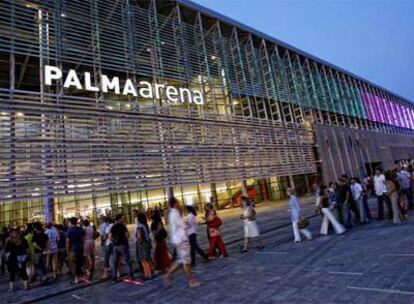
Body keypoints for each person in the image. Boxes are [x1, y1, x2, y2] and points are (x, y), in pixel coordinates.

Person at [163, 197, 201, 288]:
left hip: (179, 240)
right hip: (181, 240)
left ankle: (167, 275)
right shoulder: (175, 214)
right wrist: (185, 220)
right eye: (178, 203)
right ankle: (191, 281)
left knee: (181, 260)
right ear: (175, 204)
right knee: (186, 262)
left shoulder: (173, 213)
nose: (180, 204)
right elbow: (184, 225)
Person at [110, 213, 134, 283]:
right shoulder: (123, 226)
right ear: (119, 219)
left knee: (115, 262)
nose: (124, 219)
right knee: (127, 261)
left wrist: (114, 242)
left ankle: (114, 279)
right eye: (123, 218)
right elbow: (128, 235)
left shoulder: (113, 227)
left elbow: (110, 236)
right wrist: (124, 238)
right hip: (123, 245)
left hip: (115, 246)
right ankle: (130, 276)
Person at [66, 217, 85, 284]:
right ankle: (81, 276)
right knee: (80, 262)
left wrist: (67, 250)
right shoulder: (81, 229)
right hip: (81, 248)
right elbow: (83, 239)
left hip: (73, 249)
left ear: (70, 222)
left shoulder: (69, 231)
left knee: (73, 264)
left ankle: (76, 279)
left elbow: (68, 242)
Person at [135, 213, 153, 279]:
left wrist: (138, 243)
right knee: (147, 259)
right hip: (147, 243)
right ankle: (149, 274)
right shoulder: (145, 225)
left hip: (142, 244)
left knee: (143, 260)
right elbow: (147, 236)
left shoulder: (139, 226)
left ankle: (147, 274)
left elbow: (139, 237)